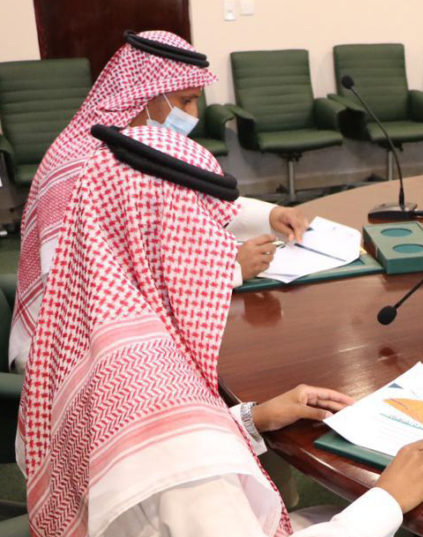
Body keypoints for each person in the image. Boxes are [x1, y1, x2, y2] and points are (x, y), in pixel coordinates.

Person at [17, 123, 423, 537]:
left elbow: (141, 472)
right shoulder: (160, 401)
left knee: (331, 525)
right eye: (205, 235)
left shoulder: (86, 345)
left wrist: (252, 420)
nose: (217, 254)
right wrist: (388, 498)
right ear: (167, 243)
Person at [8, 30, 304, 373]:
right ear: (144, 96)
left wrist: (271, 215)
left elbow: (201, 207)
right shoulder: (80, 168)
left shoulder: (146, 147)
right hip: (66, 351)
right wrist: (228, 270)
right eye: (185, 101)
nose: (193, 115)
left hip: (123, 330)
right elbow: (97, 286)